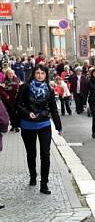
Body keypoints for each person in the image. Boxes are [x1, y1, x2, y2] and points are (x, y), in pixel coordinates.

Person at [16, 64, 62, 194]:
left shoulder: (49, 89)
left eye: (42, 73)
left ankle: (44, 184)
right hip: (27, 125)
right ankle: (33, 176)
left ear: (46, 75)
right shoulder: (25, 87)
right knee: (31, 154)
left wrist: (59, 127)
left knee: (45, 154)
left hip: (44, 124)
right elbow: (18, 105)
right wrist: (27, 113)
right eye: (37, 73)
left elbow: (53, 109)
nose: (40, 75)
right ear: (33, 74)